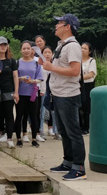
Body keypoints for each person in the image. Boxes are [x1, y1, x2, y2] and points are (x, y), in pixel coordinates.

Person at [43, 14, 85, 181]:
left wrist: (52, 67)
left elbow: (75, 71)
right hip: (58, 93)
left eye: (59, 23)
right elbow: (59, 67)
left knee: (73, 132)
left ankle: (79, 168)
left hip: (68, 95)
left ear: (68, 27)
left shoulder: (72, 46)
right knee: (64, 131)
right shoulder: (61, 45)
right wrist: (47, 65)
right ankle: (68, 162)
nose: (56, 26)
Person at [15, 40, 44, 148]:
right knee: (19, 116)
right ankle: (19, 138)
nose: (26, 50)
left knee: (33, 116)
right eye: (24, 48)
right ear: (21, 50)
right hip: (20, 93)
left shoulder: (36, 63)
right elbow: (14, 78)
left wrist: (32, 81)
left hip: (32, 94)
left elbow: (40, 78)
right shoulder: (17, 62)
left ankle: (34, 139)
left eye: (28, 48)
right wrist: (21, 78)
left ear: (32, 50)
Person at [0, 36, 19, 149]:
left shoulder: (12, 61)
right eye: (0, 45)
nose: (3, 47)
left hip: (9, 91)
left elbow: (15, 77)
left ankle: (9, 138)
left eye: (5, 45)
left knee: (9, 115)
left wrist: (16, 92)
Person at [79, 42, 97, 135]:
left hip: (87, 86)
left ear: (89, 51)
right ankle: (79, 126)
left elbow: (91, 74)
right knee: (78, 106)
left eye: (85, 48)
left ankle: (86, 127)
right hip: (77, 85)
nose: (82, 50)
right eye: (81, 48)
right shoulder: (77, 60)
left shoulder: (91, 61)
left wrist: (79, 77)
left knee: (86, 107)